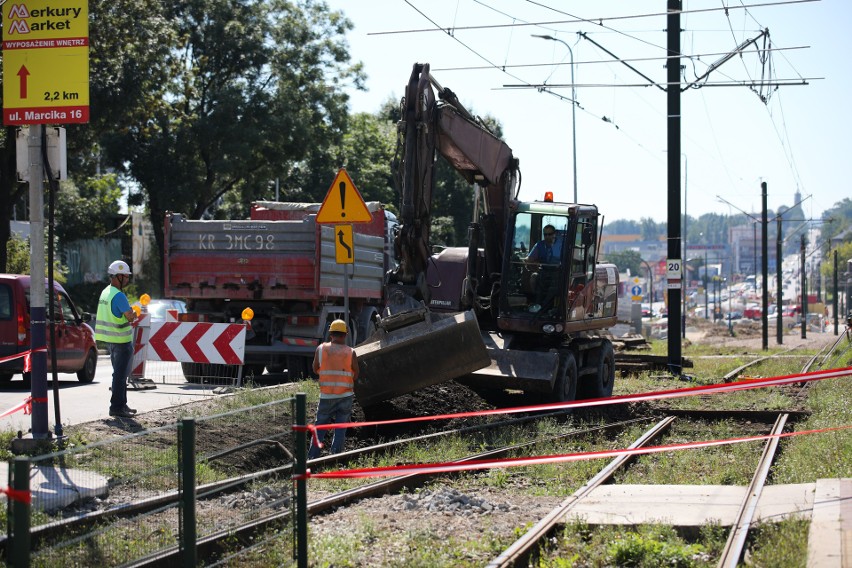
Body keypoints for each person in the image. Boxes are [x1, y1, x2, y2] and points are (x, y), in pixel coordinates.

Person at [308, 319, 359, 459]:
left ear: (331, 334)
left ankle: (313, 458)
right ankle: (335, 457)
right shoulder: (351, 352)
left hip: (326, 396)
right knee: (340, 429)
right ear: (345, 334)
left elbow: (314, 368)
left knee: (319, 428)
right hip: (346, 396)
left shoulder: (321, 349)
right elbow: (356, 373)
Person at [95, 260, 138, 418]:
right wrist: (134, 313)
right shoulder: (119, 295)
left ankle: (122, 405)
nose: (127, 279)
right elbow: (129, 317)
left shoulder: (106, 292)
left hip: (111, 341)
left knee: (118, 375)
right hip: (121, 342)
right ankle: (117, 407)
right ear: (118, 276)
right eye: (126, 277)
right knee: (120, 376)